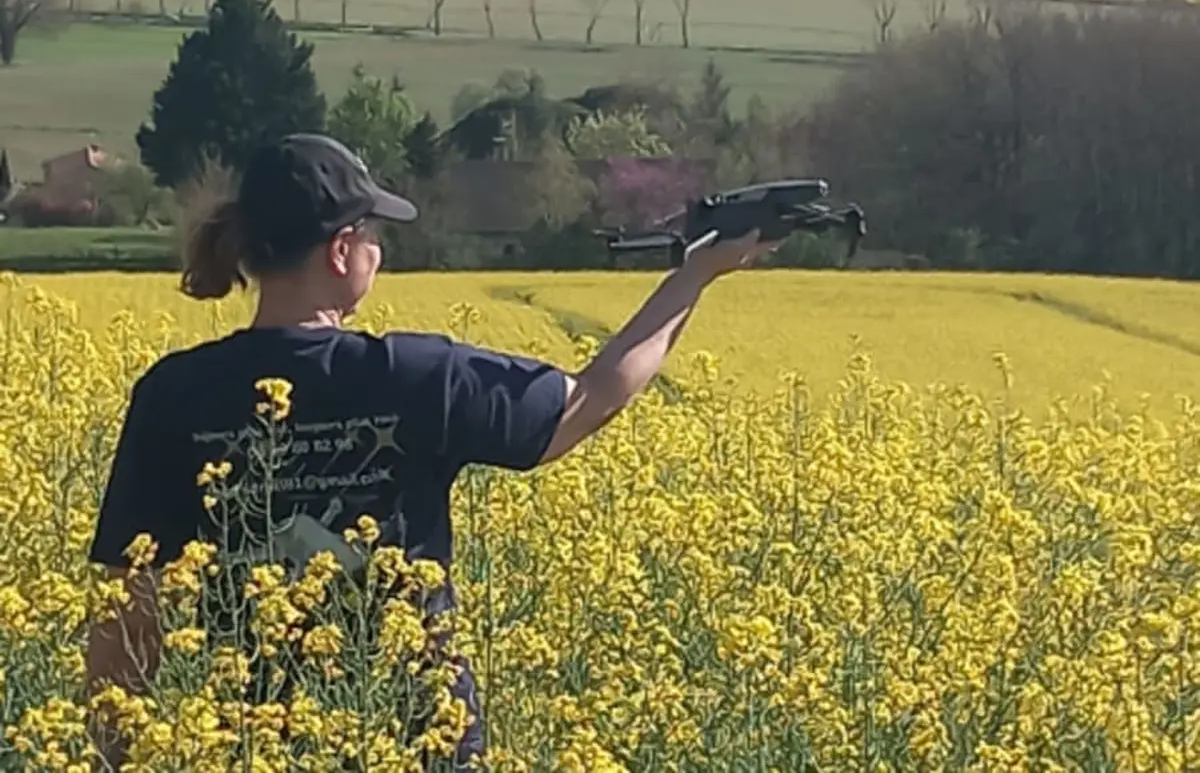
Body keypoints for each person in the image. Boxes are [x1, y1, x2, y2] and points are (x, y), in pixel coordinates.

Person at [84, 132, 779, 769]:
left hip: (246, 743)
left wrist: (119, 754)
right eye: (375, 236)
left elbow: (128, 611)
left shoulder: (171, 395)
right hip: (415, 734)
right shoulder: (415, 377)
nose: (379, 252)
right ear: (341, 249)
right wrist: (694, 277)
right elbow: (588, 399)